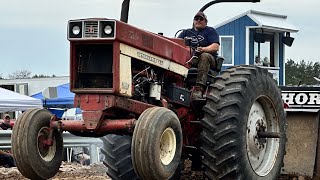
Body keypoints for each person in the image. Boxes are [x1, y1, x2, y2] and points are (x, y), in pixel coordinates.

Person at [178, 11, 220, 100]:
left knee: (204, 56)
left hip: (208, 60)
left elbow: (215, 46)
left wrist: (203, 49)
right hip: (190, 59)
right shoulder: (186, 32)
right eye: (196, 19)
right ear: (193, 21)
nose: (198, 21)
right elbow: (176, 43)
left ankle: (199, 88)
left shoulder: (210, 31)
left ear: (205, 21)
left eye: (201, 19)